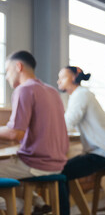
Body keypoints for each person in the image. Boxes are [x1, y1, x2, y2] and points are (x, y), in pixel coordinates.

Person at [0, 51, 69, 213]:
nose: (6, 76)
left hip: (37, 164)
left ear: (18, 66)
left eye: (7, 71)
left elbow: (15, 133)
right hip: (57, 164)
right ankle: (38, 203)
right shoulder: (52, 91)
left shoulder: (24, 90)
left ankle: (23, 207)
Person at [57, 66, 105, 215]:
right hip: (103, 151)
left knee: (61, 171)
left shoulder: (81, 95)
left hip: (103, 153)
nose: (58, 80)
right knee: (64, 169)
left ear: (73, 78)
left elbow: (67, 123)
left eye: (62, 77)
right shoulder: (80, 95)